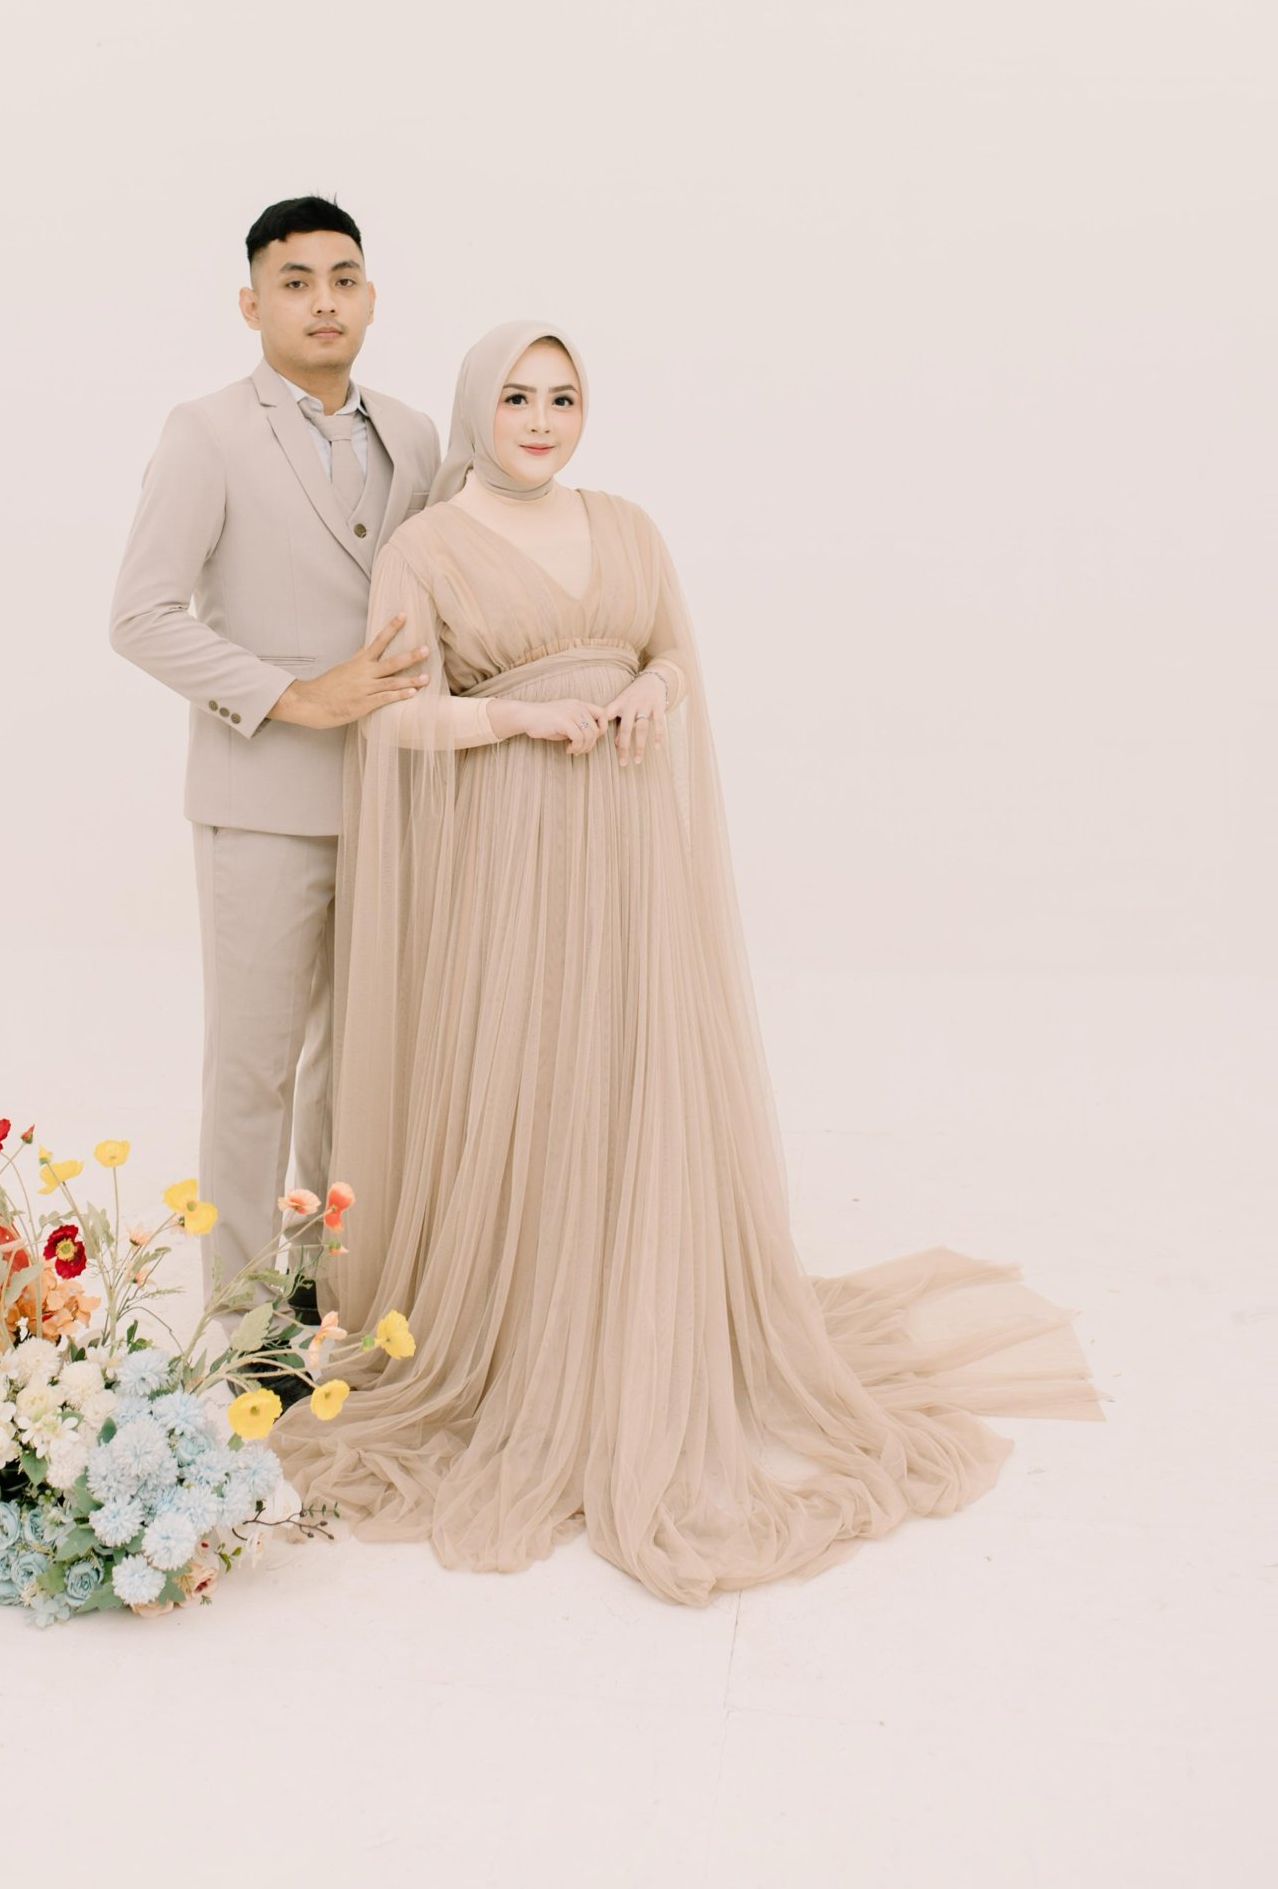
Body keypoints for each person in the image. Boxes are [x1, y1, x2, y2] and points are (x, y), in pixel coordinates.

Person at [270, 317, 1107, 1608]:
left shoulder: (629, 526)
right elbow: (397, 719)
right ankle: (533, 1322)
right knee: (537, 1065)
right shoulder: (426, 547)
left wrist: (653, 690)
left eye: (562, 397)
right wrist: (518, 714)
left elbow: (674, 653)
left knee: (635, 1058)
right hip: (514, 842)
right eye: (517, 396)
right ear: (477, 406)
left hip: (628, 833)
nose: (541, 420)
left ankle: (644, 1300)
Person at [107, 196, 442, 1326]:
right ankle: (243, 1319)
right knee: (253, 1066)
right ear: (252, 305)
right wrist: (294, 696)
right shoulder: (205, 432)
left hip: (392, 796)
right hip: (258, 800)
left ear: (371, 297)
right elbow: (141, 615)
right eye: (294, 283)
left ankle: (323, 1280)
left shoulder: (414, 435)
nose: (322, 301)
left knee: (359, 1067)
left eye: (343, 279)